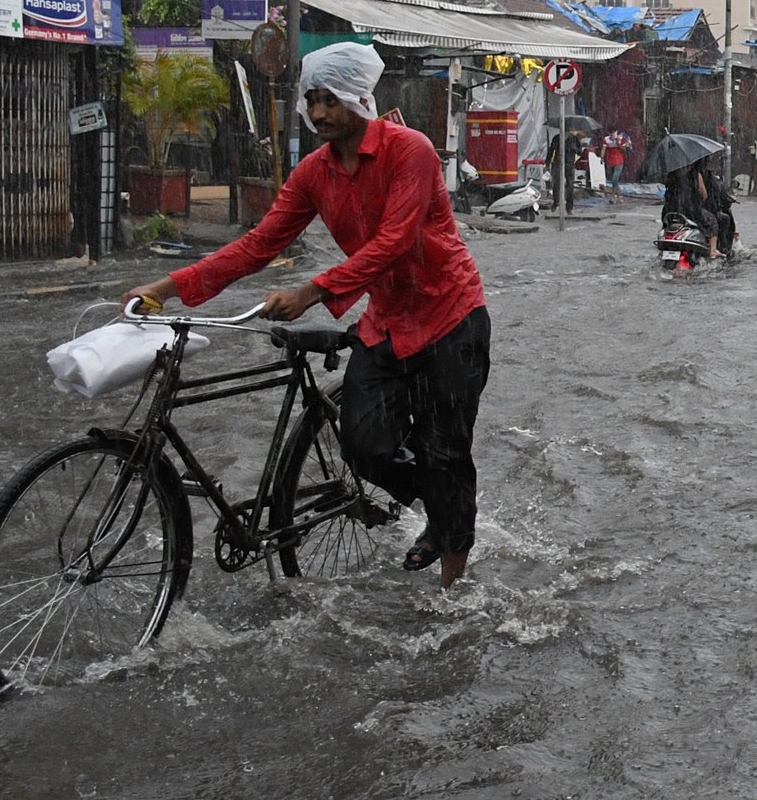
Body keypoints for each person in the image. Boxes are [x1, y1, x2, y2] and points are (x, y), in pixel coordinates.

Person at [120, 43, 490, 590]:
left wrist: (313, 291)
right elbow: (258, 244)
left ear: (358, 98)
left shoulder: (409, 151)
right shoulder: (314, 173)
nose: (318, 114)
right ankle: (444, 507)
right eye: (311, 101)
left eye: (330, 100)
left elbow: (395, 241)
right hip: (386, 321)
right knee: (362, 446)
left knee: (445, 450)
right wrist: (167, 287)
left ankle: (451, 591)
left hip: (449, 318)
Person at [662, 159, 723, 259]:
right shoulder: (695, 174)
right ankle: (712, 250)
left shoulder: (671, 175)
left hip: (670, 211)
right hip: (690, 210)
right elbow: (703, 194)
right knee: (712, 221)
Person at [547, 129, 581, 213]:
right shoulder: (557, 138)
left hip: (569, 164)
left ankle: (569, 207)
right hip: (557, 163)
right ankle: (556, 202)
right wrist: (547, 163)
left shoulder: (574, 139)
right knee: (556, 184)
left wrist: (574, 150)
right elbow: (551, 150)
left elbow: (580, 152)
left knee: (569, 185)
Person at [601, 129, 631, 194]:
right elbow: (603, 149)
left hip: (619, 161)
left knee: (615, 180)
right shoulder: (606, 139)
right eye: (610, 133)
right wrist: (602, 158)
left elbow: (624, 150)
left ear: (616, 133)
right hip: (610, 161)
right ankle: (619, 197)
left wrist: (618, 143)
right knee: (614, 181)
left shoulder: (621, 139)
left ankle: (613, 196)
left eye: (613, 133)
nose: (612, 135)